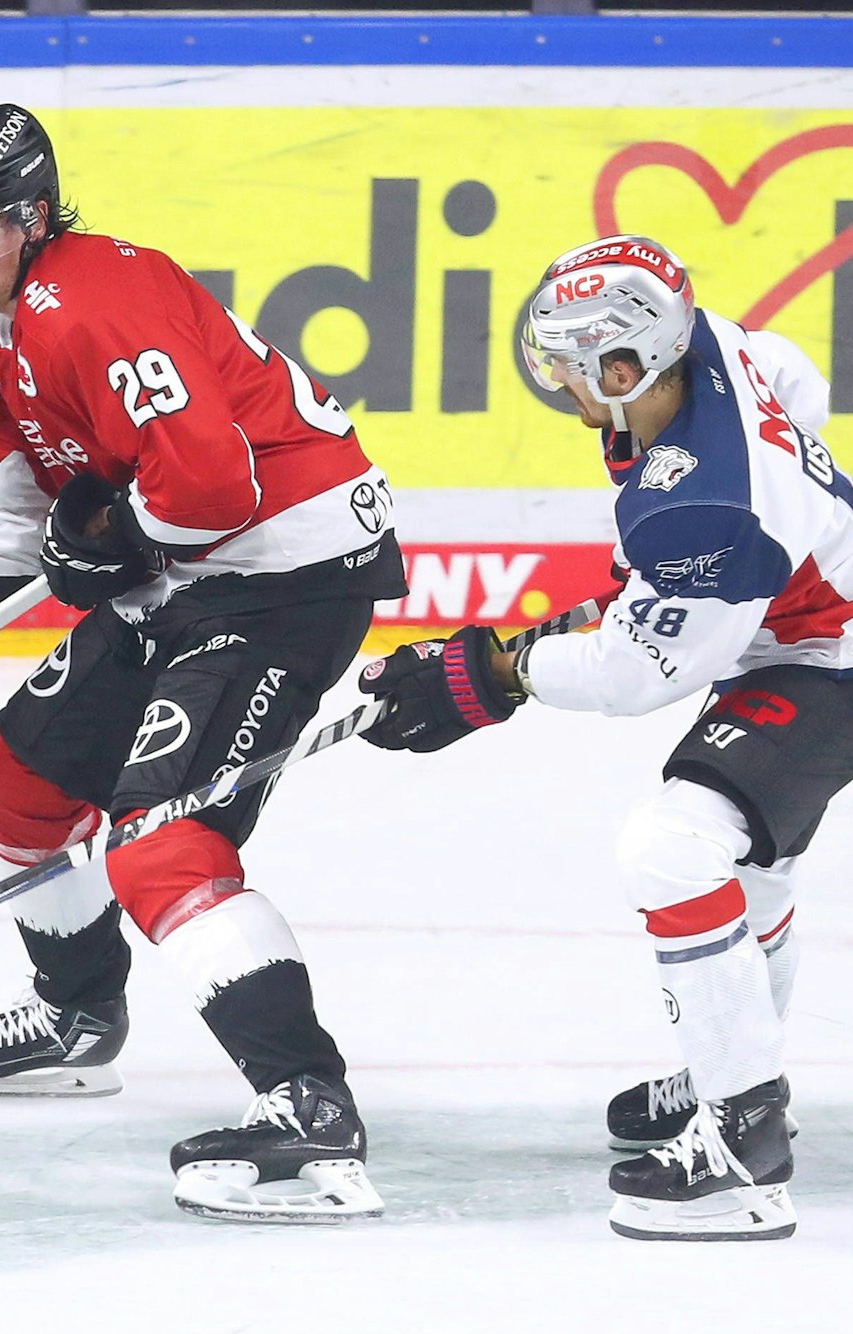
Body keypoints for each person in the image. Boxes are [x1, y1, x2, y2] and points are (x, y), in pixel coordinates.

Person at [0, 103, 407, 1222]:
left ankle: (308, 1106)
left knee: (158, 841)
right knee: (17, 779)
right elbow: (5, 531)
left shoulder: (96, 299)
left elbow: (213, 488)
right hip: (187, 577)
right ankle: (78, 1013)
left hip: (286, 578)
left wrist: (119, 532)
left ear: (31, 216)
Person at [355, 234, 853, 1241]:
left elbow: (639, 673)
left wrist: (495, 673)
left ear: (625, 368)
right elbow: (790, 375)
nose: (559, 385)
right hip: (800, 623)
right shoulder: (706, 348)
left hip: (825, 655)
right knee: (750, 873)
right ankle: (729, 1063)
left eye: (570, 368)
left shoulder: (712, 501)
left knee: (673, 846)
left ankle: (742, 1146)